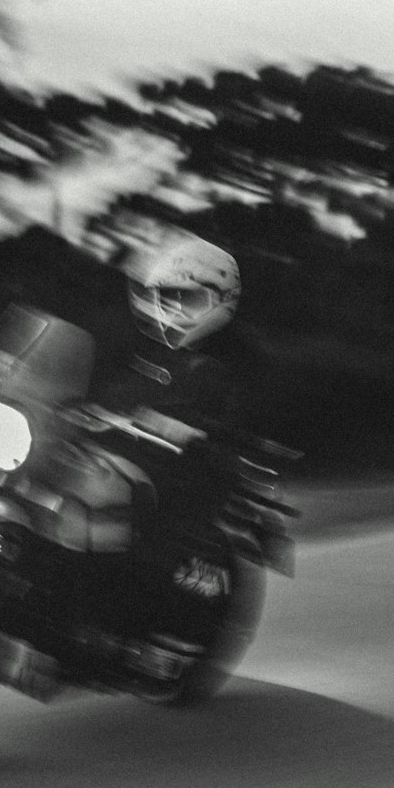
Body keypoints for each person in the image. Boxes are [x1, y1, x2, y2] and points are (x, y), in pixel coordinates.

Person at [93, 225, 268, 653]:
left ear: (219, 302)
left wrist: (196, 432)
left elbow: (238, 423)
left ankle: (144, 625)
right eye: (160, 296)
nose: (165, 308)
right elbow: (108, 391)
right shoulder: (150, 357)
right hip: (134, 459)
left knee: (153, 536)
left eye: (183, 298)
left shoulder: (231, 362)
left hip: (193, 476)